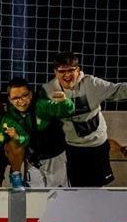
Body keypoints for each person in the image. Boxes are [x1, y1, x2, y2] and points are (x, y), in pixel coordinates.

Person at [43, 52, 127, 187]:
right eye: (62, 71)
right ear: (55, 72)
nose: (67, 75)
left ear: (78, 70)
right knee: (78, 190)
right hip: (73, 148)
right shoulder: (48, 91)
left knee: (99, 190)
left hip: (97, 145)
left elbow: (119, 90)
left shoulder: (92, 84)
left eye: (71, 70)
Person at [5, 77, 75, 188]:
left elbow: (65, 110)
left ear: (31, 95)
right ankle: (16, 175)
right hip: (34, 160)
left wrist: (65, 102)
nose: (21, 101)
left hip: (55, 157)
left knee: (59, 195)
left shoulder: (41, 106)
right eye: (16, 98)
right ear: (9, 99)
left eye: (25, 95)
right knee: (35, 196)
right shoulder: (11, 115)